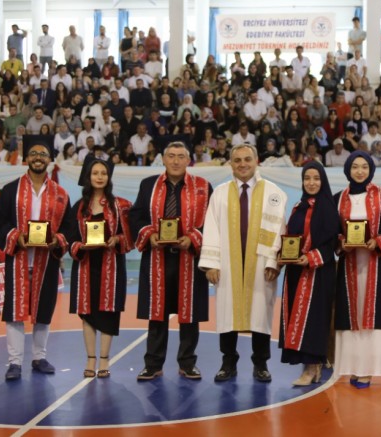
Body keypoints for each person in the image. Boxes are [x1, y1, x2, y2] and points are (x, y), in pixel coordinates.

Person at [200, 144, 288, 383]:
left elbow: (279, 230)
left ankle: (261, 364)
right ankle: (228, 363)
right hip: (228, 263)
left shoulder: (274, 193)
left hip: (260, 264)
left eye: (247, 159)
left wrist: (274, 262)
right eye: (237, 160)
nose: (242, 164)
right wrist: (211, 263)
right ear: (230, 164)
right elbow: (211, 228)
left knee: (261, 313)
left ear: (256, 161)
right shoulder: (220, 193)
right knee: (227, 312)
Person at [0, 135, 74, 381]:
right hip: (17, 259)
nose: (38, 158)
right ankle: (14, 362)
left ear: (50, 160)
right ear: (26, 158)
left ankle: (39, 357)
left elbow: (69, 227)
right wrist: (16, 237)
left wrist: (57, 240)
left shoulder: (61, 194)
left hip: (46, 261)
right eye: (34, 154)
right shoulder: (11, 190)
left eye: (43, 154)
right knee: (14, 311)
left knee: (43, 310)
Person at [131, 142, 213, 381]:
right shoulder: (149, 185)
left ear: (189, 160)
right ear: (163, 159)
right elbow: (136, 216)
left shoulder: (203, 186)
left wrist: (193, 237)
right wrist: (149, 234)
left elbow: (213, 219)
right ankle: (153, 364)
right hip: (157, 258)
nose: (176, 161)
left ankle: (187, 363)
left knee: (190, 314)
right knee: (157, 314)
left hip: (189, 258)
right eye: (171, 156)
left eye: (180, 156)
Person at [333, 151, 381, 388]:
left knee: (371, 312)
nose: (359, 171)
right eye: (355, 167)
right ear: (347, 170)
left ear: (371, 170)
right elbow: (332, 231)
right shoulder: (338, 199)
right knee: (351, 313)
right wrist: (341, 242)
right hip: (348, 266)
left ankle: (368, 369)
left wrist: (378, 241)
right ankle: (353, 366)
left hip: (375, 265)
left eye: (364, 167)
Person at [68, 156, 133, 378]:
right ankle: (90, 359)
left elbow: (130, 237)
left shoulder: (120, 206)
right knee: (87, 313)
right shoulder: (79, 207)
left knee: (108, 312)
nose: (99, 177)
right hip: (86, 266)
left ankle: (104, 360)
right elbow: (70, 238)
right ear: (88, 177)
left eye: (103, 173)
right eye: (95, 173)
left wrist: (117, 240)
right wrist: (80, 246)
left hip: (111, 267)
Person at [279, 162, 338, 386]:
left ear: (323, 181)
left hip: (318, 273)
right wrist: (283, 254)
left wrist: (311, 257)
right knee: (298, 317)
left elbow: (331, 243)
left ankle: (313, 367)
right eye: (307, 178)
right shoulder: (299, 206)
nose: (311, 183)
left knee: (314, 320)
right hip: (296, 270)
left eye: (316, 178)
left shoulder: (327, 208)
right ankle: (308, 366)